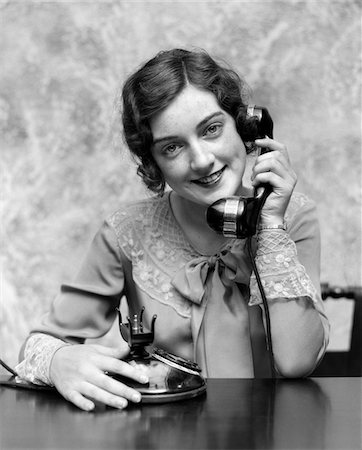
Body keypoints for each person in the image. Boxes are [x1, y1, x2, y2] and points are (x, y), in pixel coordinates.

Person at [16, 48, 329, 411]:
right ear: (154, 162)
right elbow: (39, 344)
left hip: (271, 432)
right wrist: (58, 361)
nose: (201, 160)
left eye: (212, 129)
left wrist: (271, 227)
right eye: (172, 147)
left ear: (246, 127)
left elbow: (297, 363)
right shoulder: (126, 232)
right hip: (165, 432)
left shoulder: (294, 217)